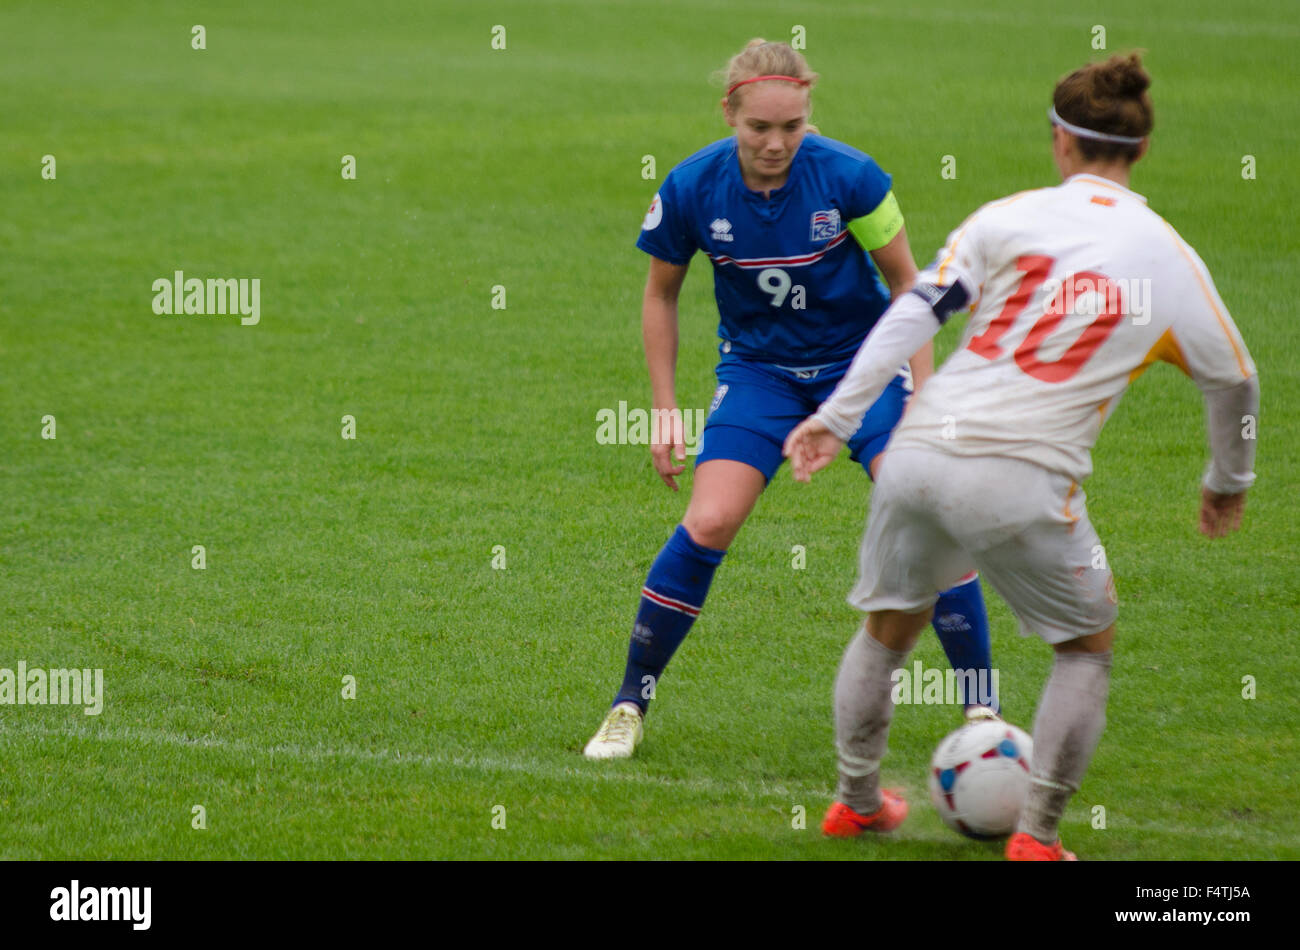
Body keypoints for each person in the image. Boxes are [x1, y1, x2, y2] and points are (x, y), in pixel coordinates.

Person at [783, 53, 1258, 858]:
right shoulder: (1170, 257)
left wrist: (838, 415)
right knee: (1084, 650)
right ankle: (1037, 836)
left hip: (920, 451)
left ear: (1058, 142)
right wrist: (1227, 481)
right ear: (1141, 151)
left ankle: (854, 801)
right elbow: (1237, 379)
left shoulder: (1006, 216)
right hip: (1023, 474)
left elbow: (914, 312)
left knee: (887, 629)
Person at [583, 39, 999, 773]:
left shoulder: (851, 176)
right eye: (759, 129)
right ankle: (628, 705)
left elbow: (912, 286)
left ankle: (982, 711)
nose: (776, 144)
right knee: (709, 519)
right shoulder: (690, 188)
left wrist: (926, 398)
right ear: (730, 114)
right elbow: (661, 293)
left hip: (862, 368)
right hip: (761, 376)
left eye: (793, 127)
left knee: (931, 507)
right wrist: (663, 408)